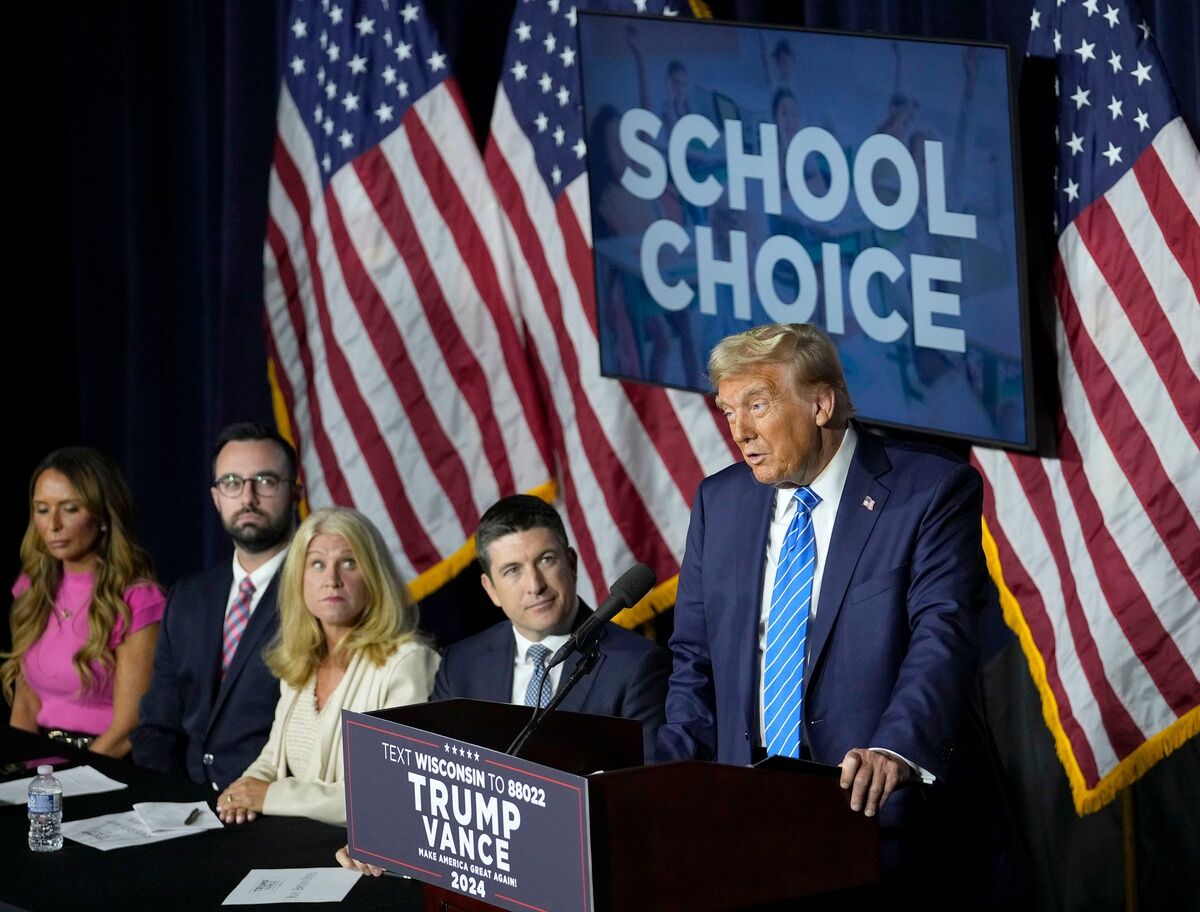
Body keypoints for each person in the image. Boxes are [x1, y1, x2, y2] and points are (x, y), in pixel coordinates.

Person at [658, 323, 1022, 907]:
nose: (740, 433)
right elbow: (694, 661)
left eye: (757, 405)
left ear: (821, 403)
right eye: (729, 412)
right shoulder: (719, 502)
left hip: (887, 829)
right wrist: (662, 785)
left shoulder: (928, 490)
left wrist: (896, 748)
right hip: (750, 836)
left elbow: (943, 635)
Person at [218, 506, 438, 827]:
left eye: (348, 563)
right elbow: (272, 756)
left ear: (374, 576)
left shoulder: (407, 662)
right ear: (300, 579)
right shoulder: (301, 660)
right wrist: (242, 791)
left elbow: (389, 792)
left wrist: (270, 796)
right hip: (294, 842)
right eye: (317, 564)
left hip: (363, 856)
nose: (331, 580)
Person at [433, 495, 669, 762]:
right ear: (491, 590)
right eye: (513, 570)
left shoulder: (635, 667)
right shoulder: (460, 665)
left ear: (571, 563)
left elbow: (647, 787)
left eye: (546, 560)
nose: (535, 585)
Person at [132, 423, 298, 791]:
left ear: (295, 492)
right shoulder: (188, 597)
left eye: (266, 481)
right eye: (232, 483)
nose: (248, 497)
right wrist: (170, 800)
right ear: (216, 496)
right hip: (183, 806)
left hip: (271, 811)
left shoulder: (317, 595)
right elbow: (158, 723)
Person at [3, 447, 164, 757]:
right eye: (42, 509)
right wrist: (20, 773)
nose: (54, 525)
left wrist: (70, 780)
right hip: (43, 763)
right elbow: (26, 702)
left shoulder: (138, 599)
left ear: (102, 514)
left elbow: (128, 727)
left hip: (108, 763)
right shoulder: (31, 589)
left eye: (71, 508)